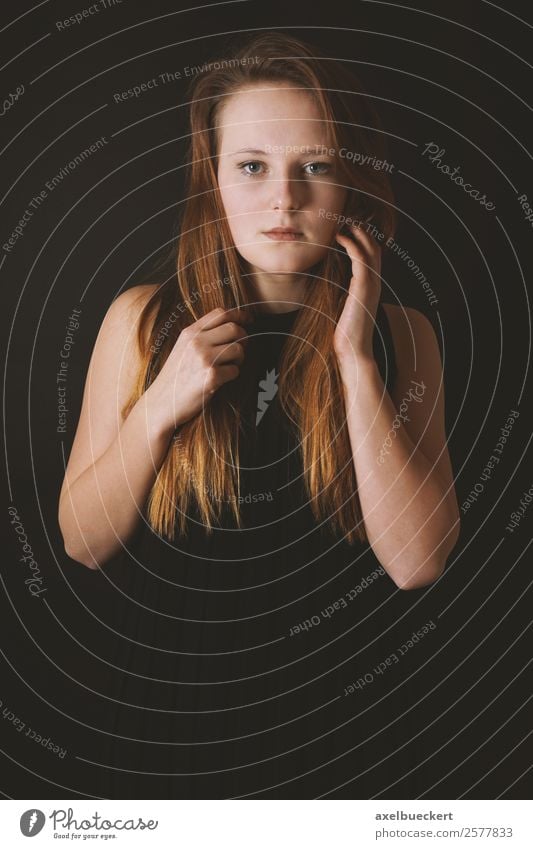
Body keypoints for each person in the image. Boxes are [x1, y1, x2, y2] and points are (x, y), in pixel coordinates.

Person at [58, 31, 460, 799]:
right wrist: (159, 406)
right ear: (211, 179)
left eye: (315, 167)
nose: (284, 199)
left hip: (358, 732)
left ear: (348, 184)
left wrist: (356, 360)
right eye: (252, 167)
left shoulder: (404, 335)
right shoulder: (140, 322)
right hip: (167, 725)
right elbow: (82, 541)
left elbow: (418, 562)